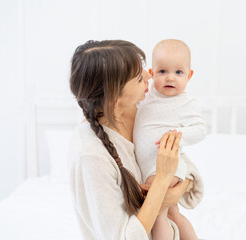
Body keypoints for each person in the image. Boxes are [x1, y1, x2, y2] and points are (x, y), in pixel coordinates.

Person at [68, 40, 204, 240]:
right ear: (115, 95)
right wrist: (162, 182)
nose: (150, 75)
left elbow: (178, 159)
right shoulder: (91, 155)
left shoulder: (138, 111)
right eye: (140, 77)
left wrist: (177, 189)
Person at [134, 39, 207, 240]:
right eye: (163, 71)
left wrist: (176, 135)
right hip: (151, 166)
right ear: (152, 73)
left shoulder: (185, 103)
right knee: (173, 214)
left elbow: (201, 130)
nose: (170, 78)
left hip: (166, 166)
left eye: (178, 72)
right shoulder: (147, 95)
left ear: (189, 75)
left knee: (158, 216)